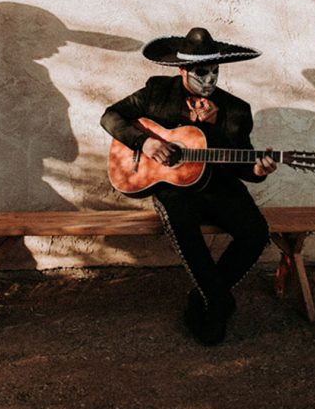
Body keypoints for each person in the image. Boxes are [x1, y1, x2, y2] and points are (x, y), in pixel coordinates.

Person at [101, 26, 276, 345]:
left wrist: (259, 169)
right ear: (182, 70)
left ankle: (205, 296)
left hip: (220, 185)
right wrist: (146, 143)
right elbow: (111, 117)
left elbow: (243, 164)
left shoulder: (236, 110)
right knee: (182, 222)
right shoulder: (156, 92)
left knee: (256, 233)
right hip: (173, 186)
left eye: (214, 72)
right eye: (201, 73)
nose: (209, 81)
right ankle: (220, 303)